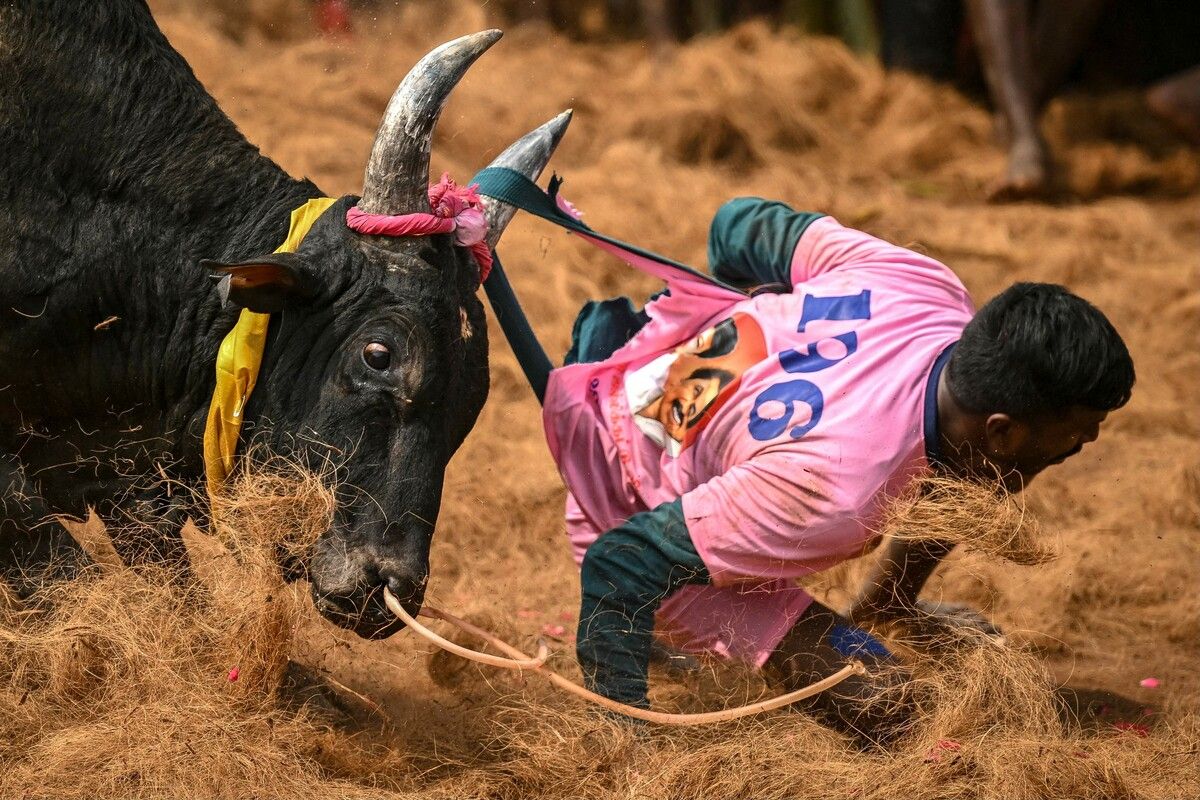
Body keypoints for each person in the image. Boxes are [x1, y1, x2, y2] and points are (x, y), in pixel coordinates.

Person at [486, 194, 1135, 741]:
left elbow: (735, 224)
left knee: (968, 478)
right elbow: (621, 564)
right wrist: (628, 735)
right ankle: (695, 652)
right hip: (623, 503)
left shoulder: (924, 288)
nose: (1080, 449)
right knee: (887, 703)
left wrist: (753, 317)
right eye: (1072, 442)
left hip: (657, 378)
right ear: (1003, 430)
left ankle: (889, 606)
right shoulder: (834, 492)